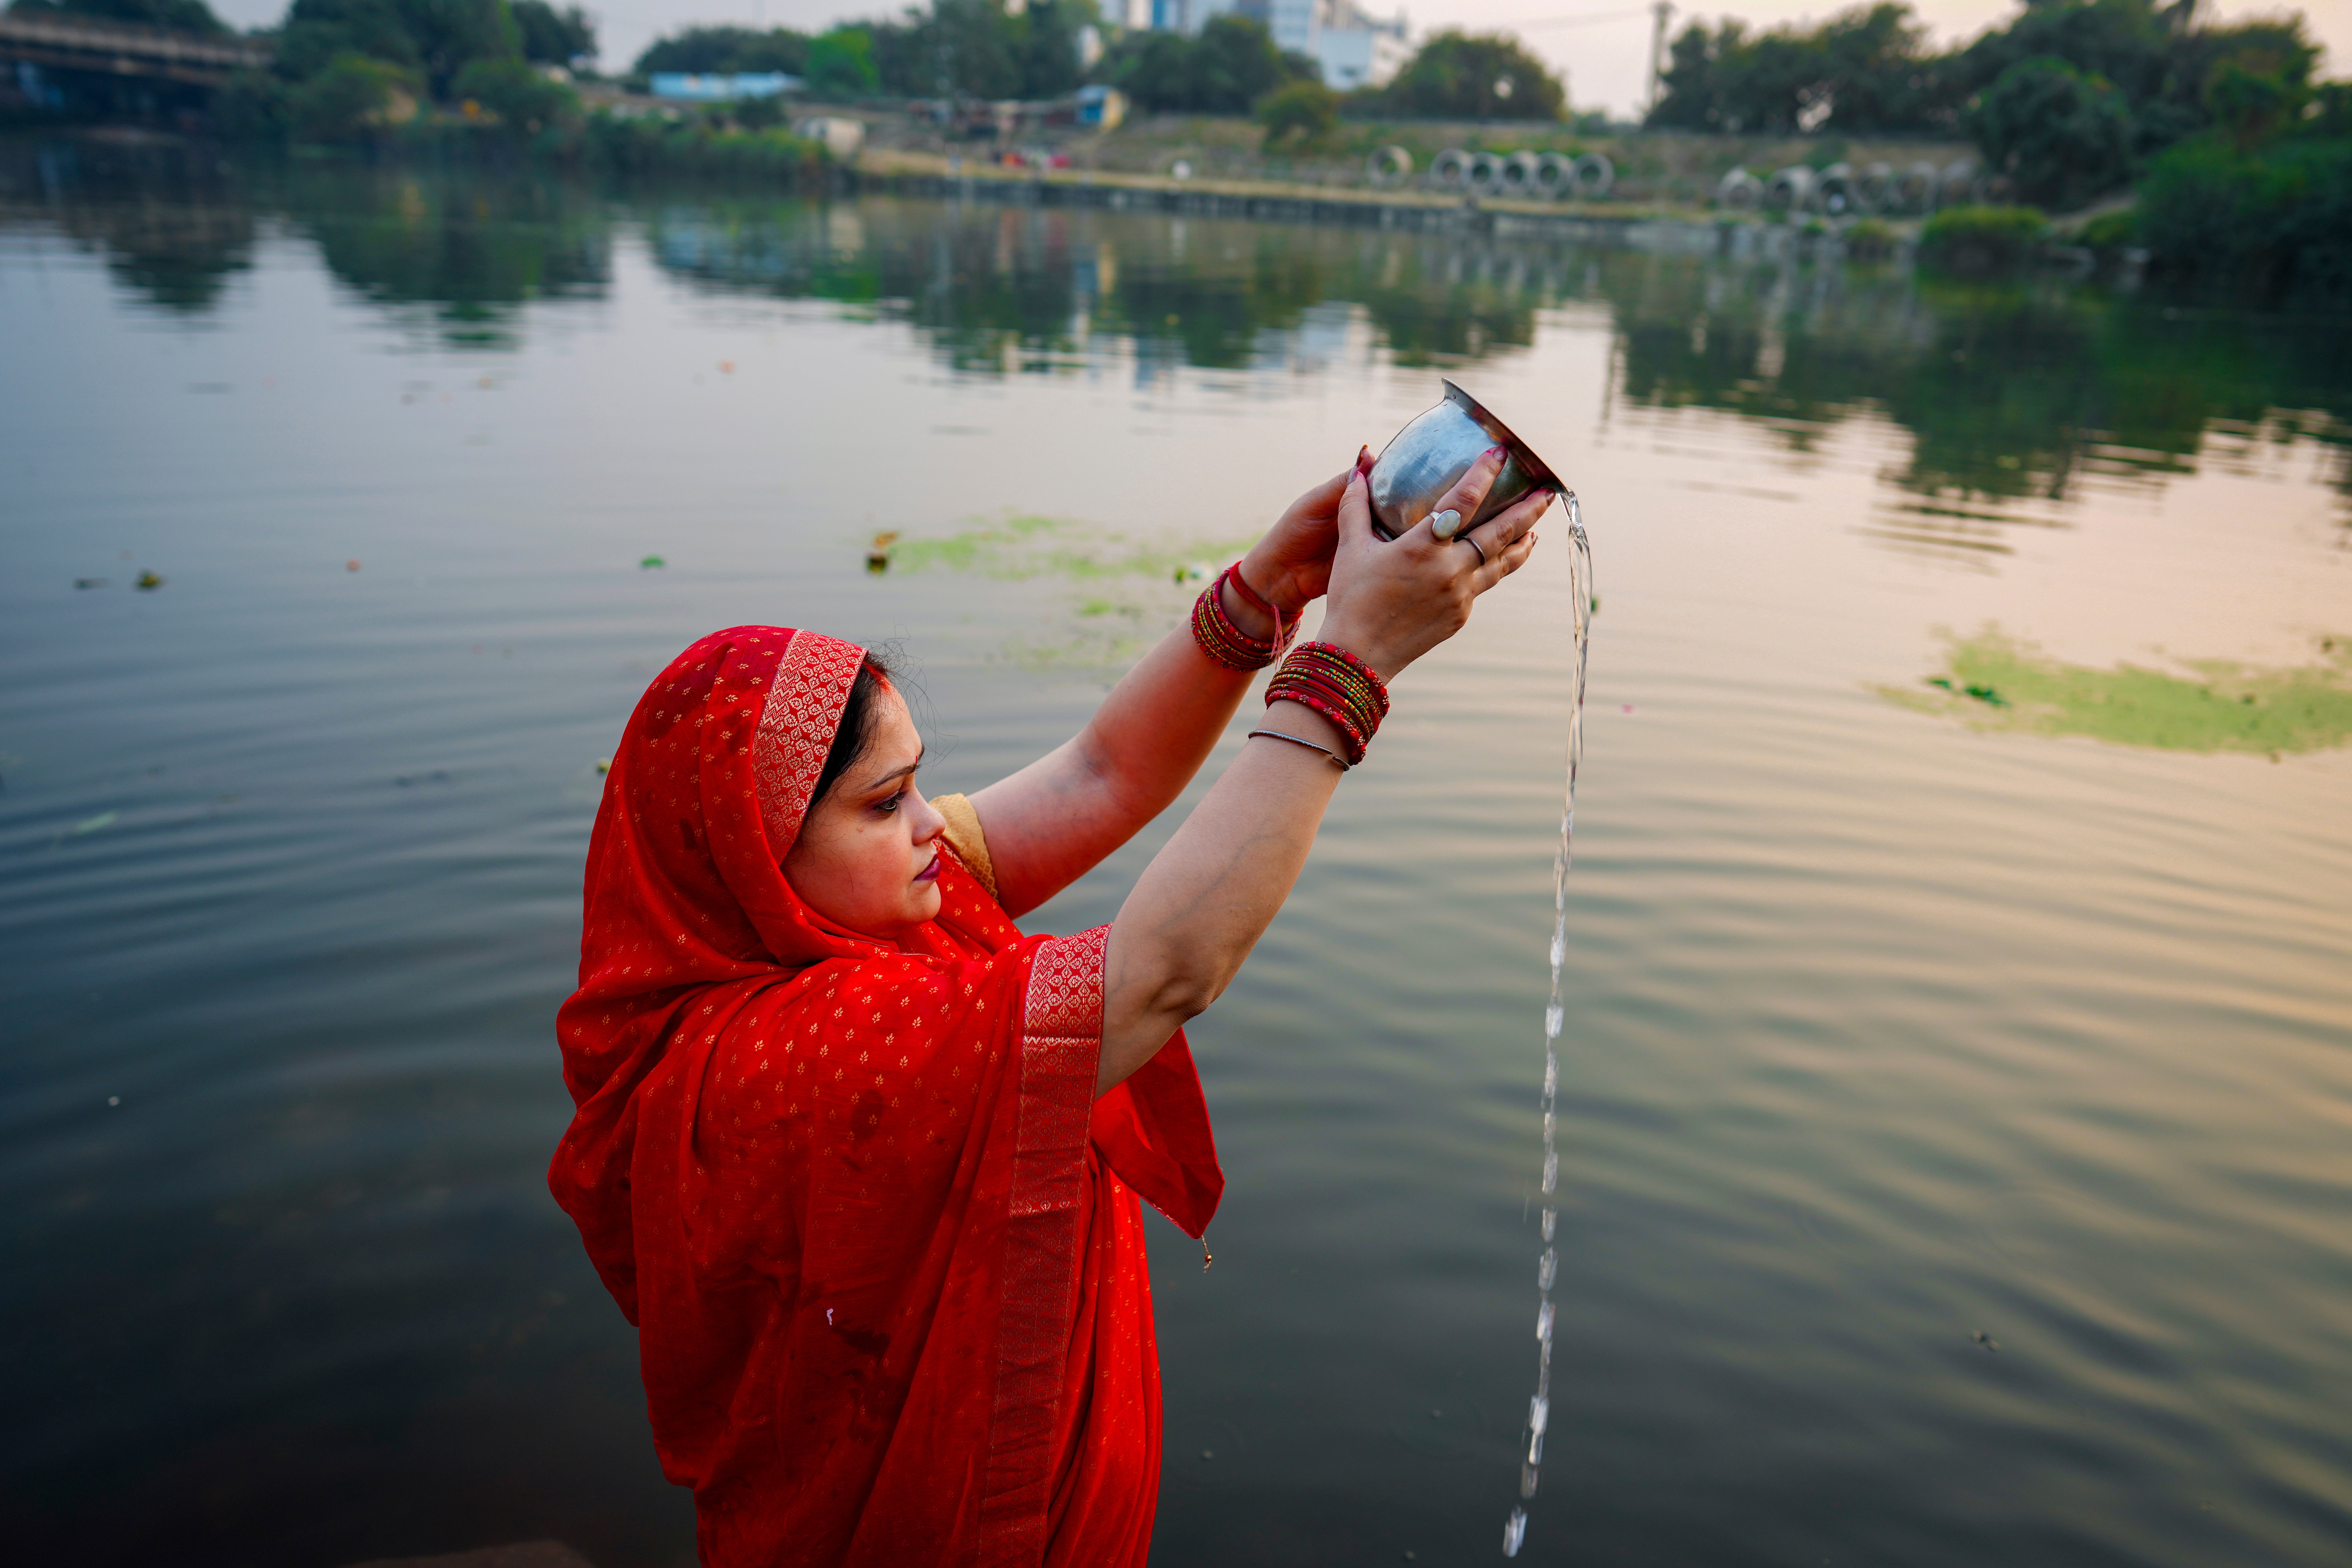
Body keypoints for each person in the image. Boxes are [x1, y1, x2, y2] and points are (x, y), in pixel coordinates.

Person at [550, 447, 1549, 1566]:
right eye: (887, 805)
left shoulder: (858, 916)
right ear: (748, 860)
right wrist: (1351, 665)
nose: (931, 825)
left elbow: (1100, 774)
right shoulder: (788, 1054)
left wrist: (1271, 590)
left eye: (919, 783)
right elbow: (1165, 972)